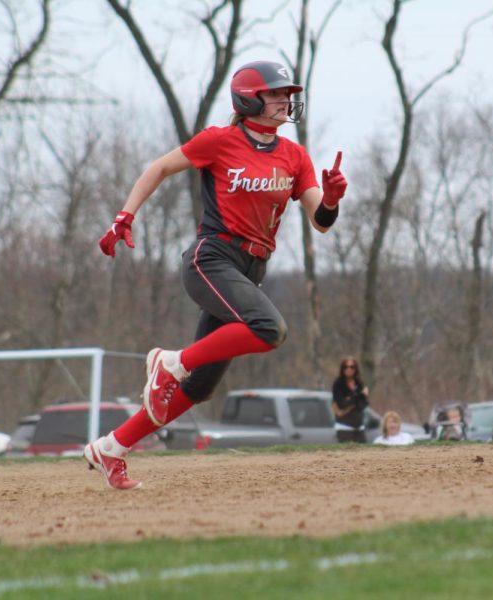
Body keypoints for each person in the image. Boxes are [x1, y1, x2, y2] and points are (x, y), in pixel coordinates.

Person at [84, 60, 349, 489]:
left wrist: (333, 198)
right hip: (212, 259)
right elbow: (159, 168)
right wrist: (124, 216)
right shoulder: (220, 141)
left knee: (202, 385)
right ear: (248, 99)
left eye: (287, 93)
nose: (286, 99)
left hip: (249, 269)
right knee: (269, 329)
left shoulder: (294, 155)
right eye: (276, 92)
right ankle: (168, 362)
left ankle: (111, 447)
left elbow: (320, 220)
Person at [331, 356, 369, 443]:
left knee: (363, 453)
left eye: (352, 367)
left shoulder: (359, 383)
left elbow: (363, 404)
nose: (349, 369)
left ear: (355, 369)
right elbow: (341, 404)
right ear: (342, 369)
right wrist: (358, 395)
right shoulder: (338, 384)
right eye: (346, 367)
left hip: (359, 426)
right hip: (344, 426)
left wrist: (354, 398)